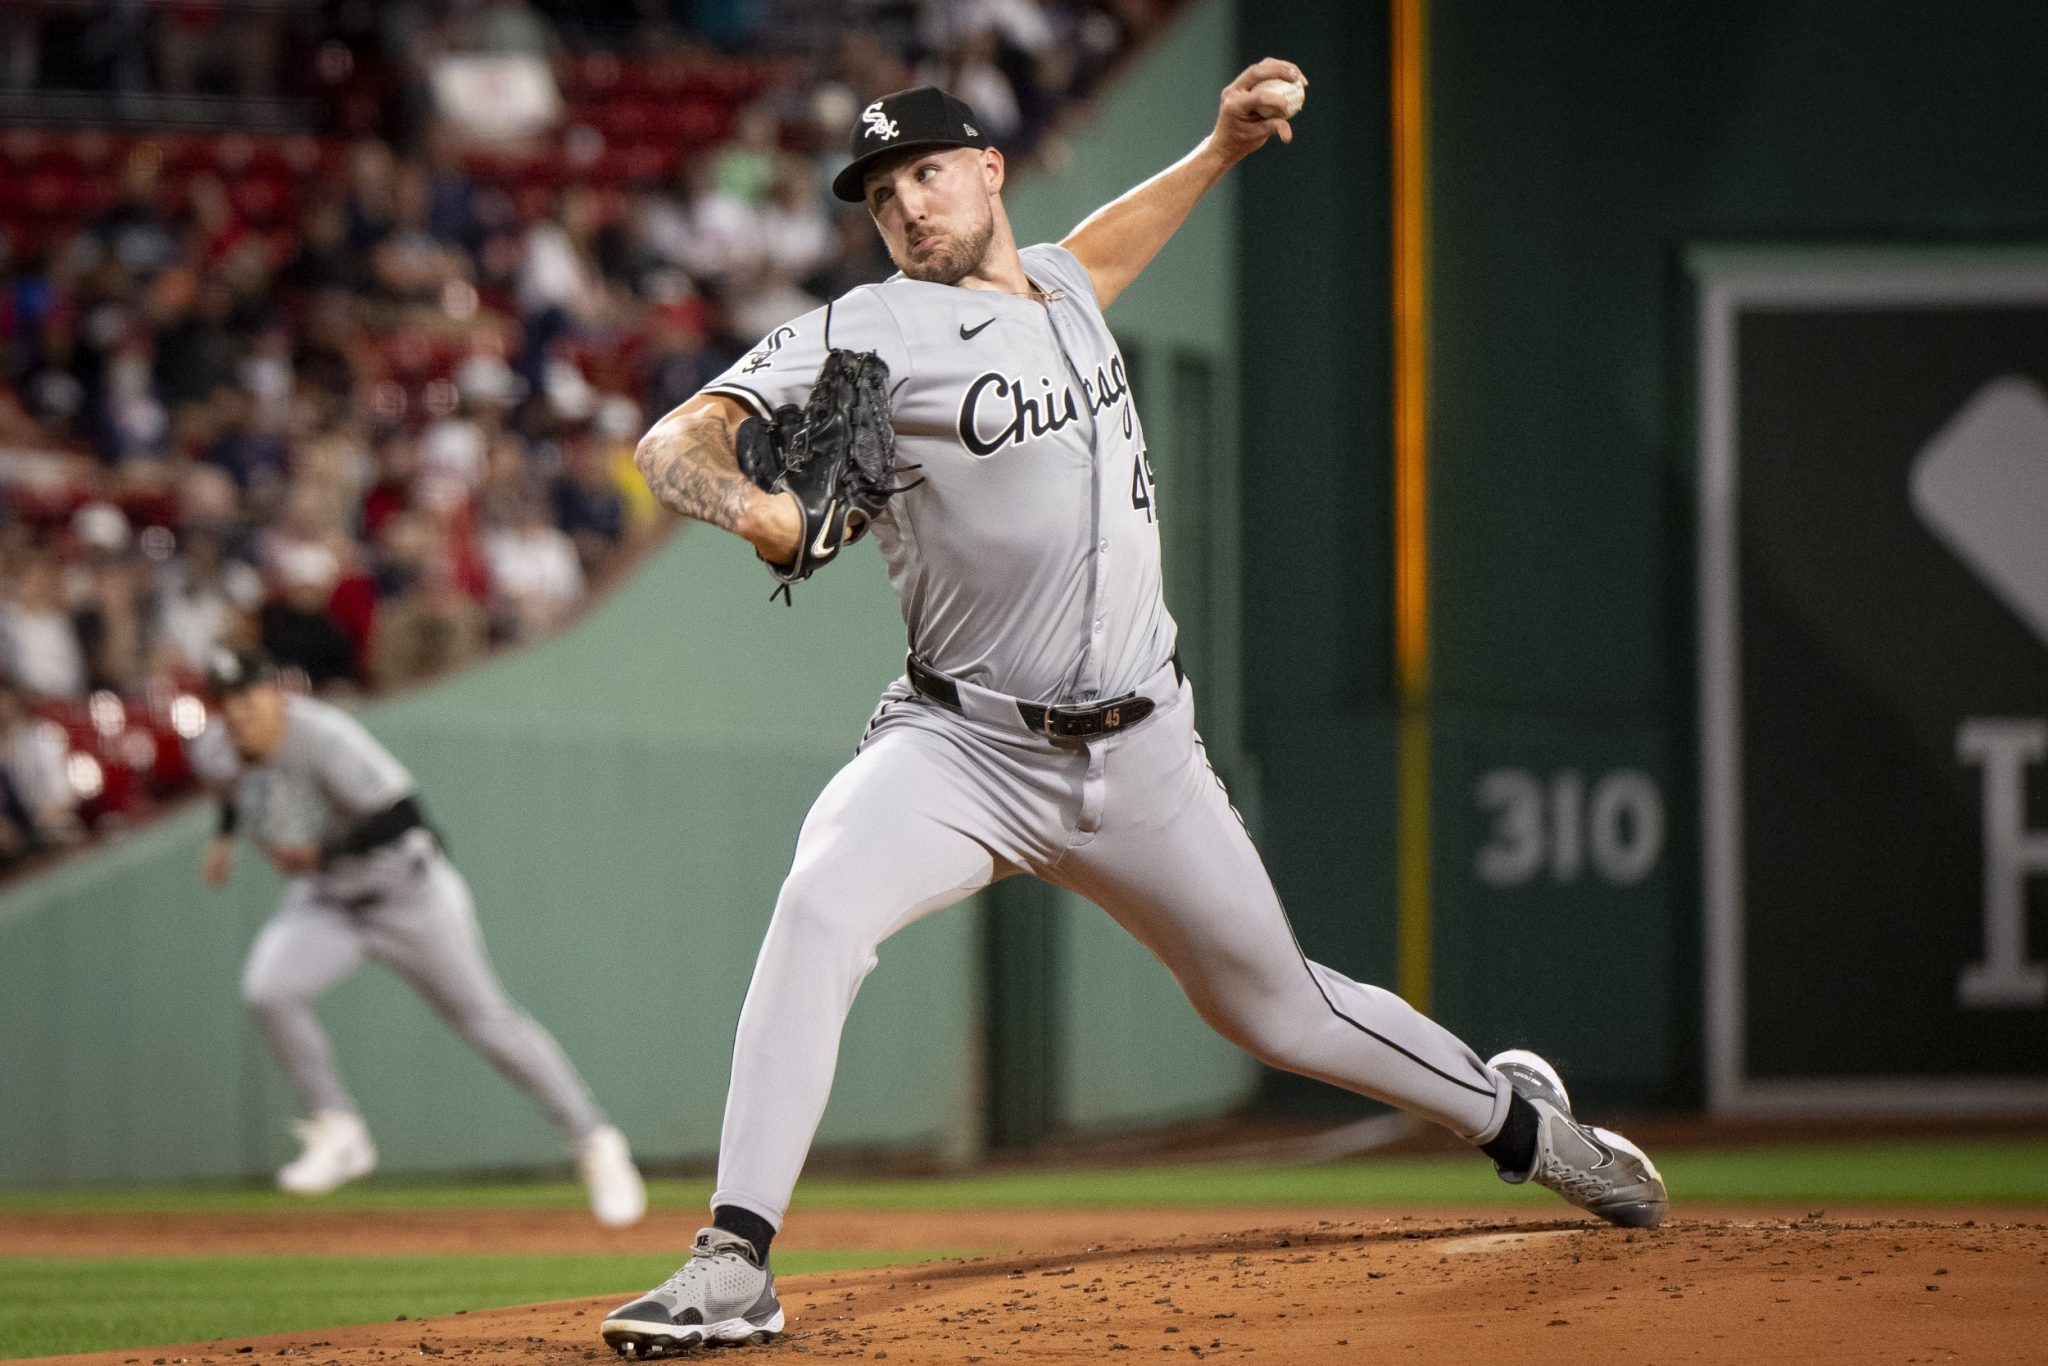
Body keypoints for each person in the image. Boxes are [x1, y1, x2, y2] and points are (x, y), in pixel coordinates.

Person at [600, 67, 1668, 1356]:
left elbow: (1095, 253)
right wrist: (764, 508)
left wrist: (1216, 149)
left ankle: (1523, 1128)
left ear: (988, 168)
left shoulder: (1057, 287)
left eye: (924, 174)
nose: (905, 208)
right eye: (880, 197)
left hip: (1145, 748)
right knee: (820, 898)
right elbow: (674, 442)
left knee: (1278, 1011)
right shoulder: (874, 326)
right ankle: (732, 1261)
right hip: (963, 744)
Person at [187, 648, 646, 1225]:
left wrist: (323, 850)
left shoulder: (325, 737)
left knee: (488, 1022)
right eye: (226, 702)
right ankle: (338, 1128)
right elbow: (231, 789)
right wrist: (225, 837)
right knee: (268, 988)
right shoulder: (212, 750)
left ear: (274, 695)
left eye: (247, 698)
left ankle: (595, 1140)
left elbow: (405, 814)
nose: (237, 713)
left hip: (409, 894)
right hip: (327, 902)